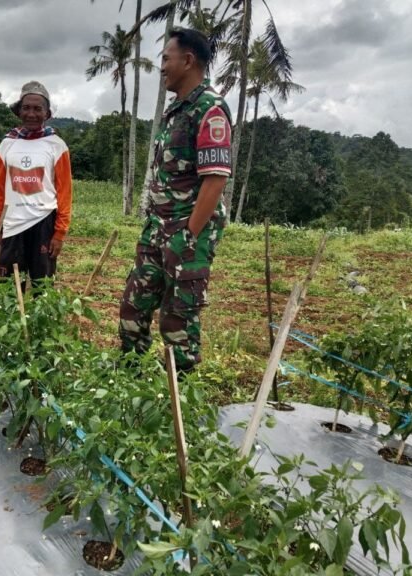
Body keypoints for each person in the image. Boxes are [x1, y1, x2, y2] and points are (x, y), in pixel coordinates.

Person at [119, 28, 232, 373]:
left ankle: (179, 398)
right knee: (133, 307)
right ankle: (128, 382)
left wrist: (189, 235)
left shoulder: (209, 109)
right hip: (157, 229)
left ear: (188, 60)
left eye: (166, 59)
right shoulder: (176, 110)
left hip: (186, 233)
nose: (162, 67)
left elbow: (215, 180)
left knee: (177, 319)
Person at [0, 81, 72, 285]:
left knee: (42, 288)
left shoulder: (56, 145)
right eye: (26, 108)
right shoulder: (7, 144)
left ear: (47, 113)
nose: (31, 114)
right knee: (7, 288)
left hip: (44, 223)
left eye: (38, 109)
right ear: (19, 111)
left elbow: (64, 193)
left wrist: (60, 232)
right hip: (12, 225)